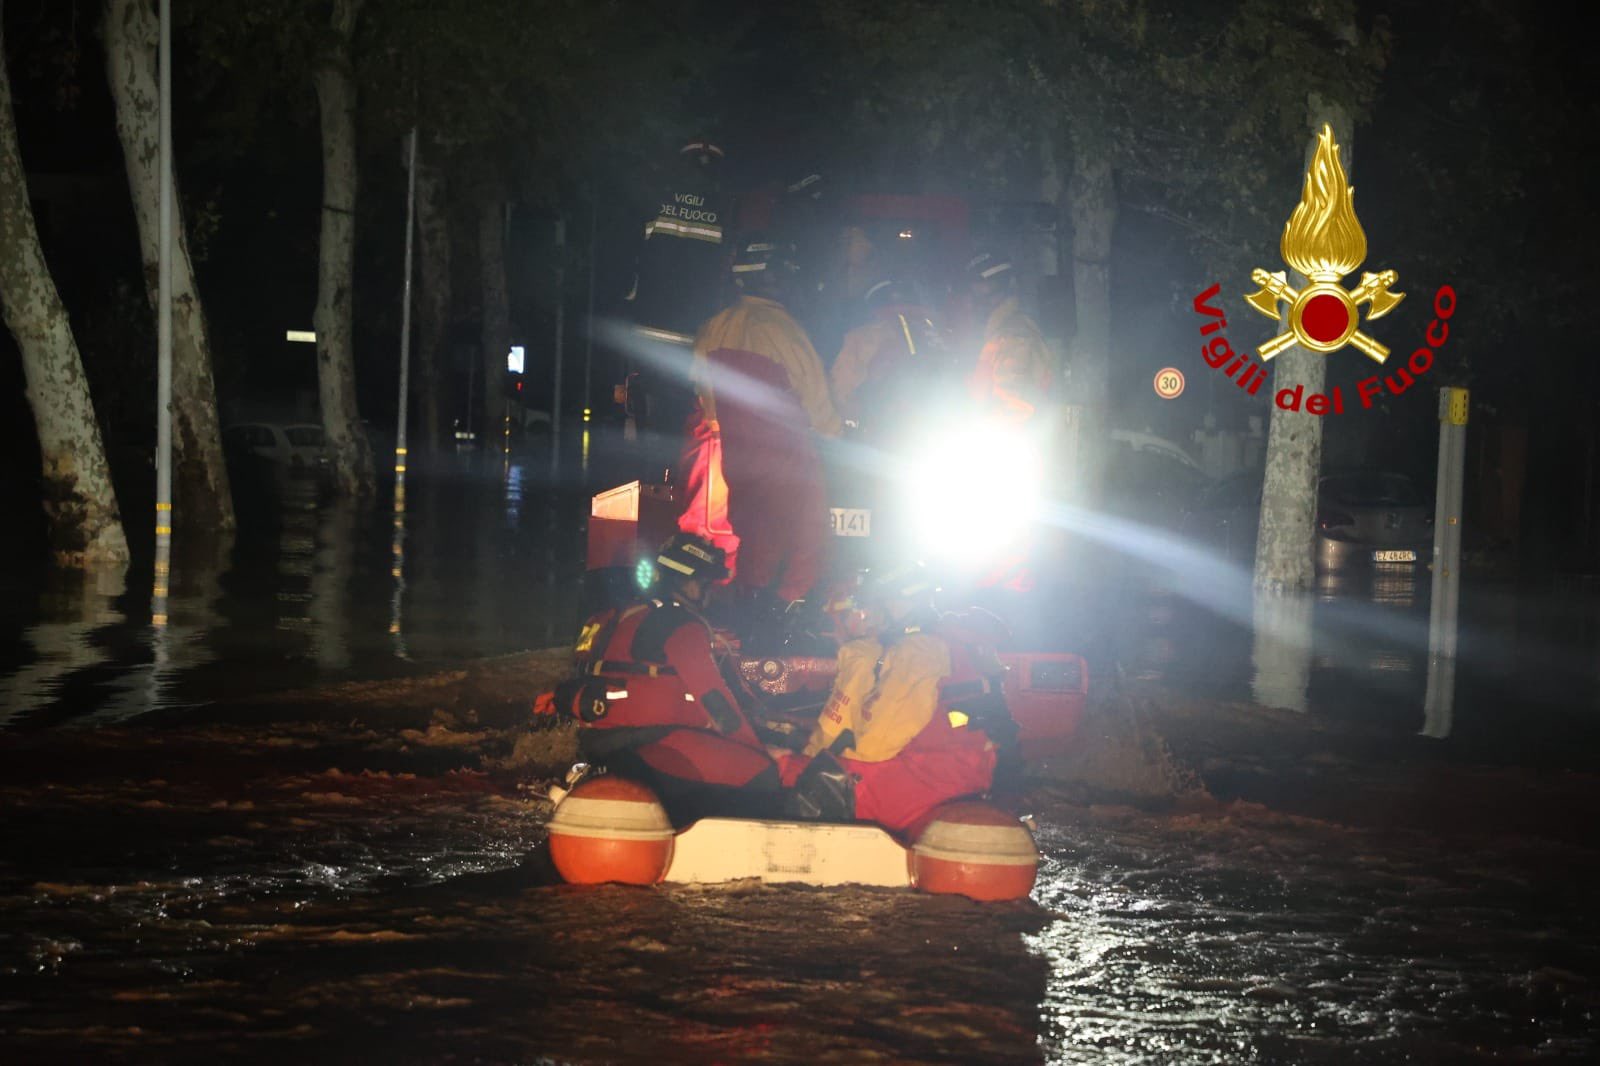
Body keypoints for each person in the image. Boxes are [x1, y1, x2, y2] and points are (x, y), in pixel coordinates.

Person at [551, 532, 782, 825]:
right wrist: (756, 748)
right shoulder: (681, 624)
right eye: (705, 585)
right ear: (687, 581)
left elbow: (581, 666)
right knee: (762, 773)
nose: (708, 594)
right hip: (654, 743)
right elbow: (716, 702)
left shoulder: (604, 618)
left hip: (596, 740)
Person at [777, 563, 1019, 836]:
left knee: (811, 784)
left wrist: (791, 766)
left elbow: (873, 747)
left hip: (929, 787)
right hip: (948, 775)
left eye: (870, 608)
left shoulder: (919, 651)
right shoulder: (940, 642)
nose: (866, 618)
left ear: (894, 604)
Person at [682, 234, 842, 640]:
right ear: (780, 280)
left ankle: (749, 613)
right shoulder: (786, 331)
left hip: (738, 456)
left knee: (754, 535)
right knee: (806, 534)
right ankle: (788, 616)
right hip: (789, 453)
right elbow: (819, 409)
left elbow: (707, 400)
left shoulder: (714, 328)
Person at [623, 139, 731, 448]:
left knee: (648, 409)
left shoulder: (656, 199)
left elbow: (632, 256)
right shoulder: (723, 207)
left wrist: (629, 299)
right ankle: (681, 476)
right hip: (697, 332)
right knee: (689, 413)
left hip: (650, 327)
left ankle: (651, 474)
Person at [829, 274, 945, 445]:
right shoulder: (933, 333)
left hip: (912, 430)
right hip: (913, 428)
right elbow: (844, 392)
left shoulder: (931, 336)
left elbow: (842, 392)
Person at [961, 250, 1055, 423]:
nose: (980, 303)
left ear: (1005, 290)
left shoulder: (1014, 335)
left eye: (987, 293)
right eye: (975, 294)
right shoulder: (995, 334)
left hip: (1002, 437)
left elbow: (1014, 404)